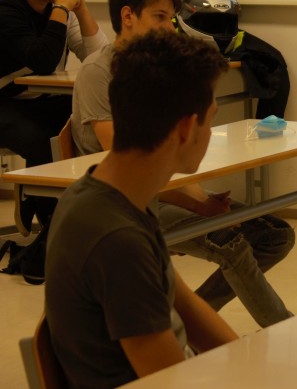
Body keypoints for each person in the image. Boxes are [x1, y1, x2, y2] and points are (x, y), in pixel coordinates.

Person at [71, 0, 295, 327]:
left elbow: (169, 155)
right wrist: (197, 204)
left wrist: (201, 200)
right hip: (126, 201)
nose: (169, 28)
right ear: (128, 16)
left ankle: (194, 321)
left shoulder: (157, 71)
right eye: (160, 17)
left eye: (171, 19)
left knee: (275, 235)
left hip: (161, 189)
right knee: (230, 241)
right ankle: (280, 326)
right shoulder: (99, 72)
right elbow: (131, 166)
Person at [46, 30, 238, 387]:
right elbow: (167, 381)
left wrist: (251, 365)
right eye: (211, 119)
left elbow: (186, 305)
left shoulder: (111, 195)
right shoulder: (117, 238)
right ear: (185, 129)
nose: (211, 132)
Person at [0, 0, 107, 229]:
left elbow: (99, 58)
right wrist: (61, 10)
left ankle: (52, 204)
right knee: (45, 144)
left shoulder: (61, 8)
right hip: (5, 102)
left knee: (90, 126)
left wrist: (81, 9)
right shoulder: (7, 10)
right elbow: (43, 60)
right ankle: (51, 224)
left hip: (41, 99)